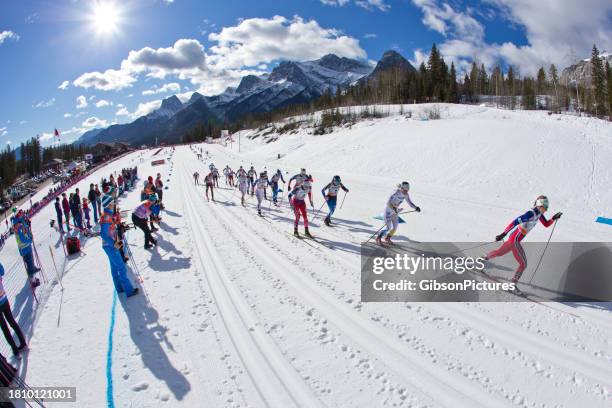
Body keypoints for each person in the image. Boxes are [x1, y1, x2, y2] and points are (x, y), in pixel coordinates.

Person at [485, 195, 562, 287]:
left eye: (547, 207)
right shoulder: (530, 214)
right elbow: (514, 222)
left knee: (499, 253)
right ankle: (512, 285)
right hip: (514, 240)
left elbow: (546, 224)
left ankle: (481, 259)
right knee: (523, 264)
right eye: (545, 207)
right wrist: (503, 234)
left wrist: (553, 218)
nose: (546, 209)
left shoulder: (539, 214)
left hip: (513, 239)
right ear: (539, 205)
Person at [100, 195, 138, 296]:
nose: (114, 204)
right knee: (121, 267)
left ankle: (119, 288)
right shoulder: (106, 216)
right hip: (110, 246)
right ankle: (129, 291)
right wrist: (114, 243)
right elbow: (103, 233)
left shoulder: (108, 215)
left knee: (114, 267)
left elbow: (110, 228)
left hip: (109, 245)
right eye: (112, 203)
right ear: (108, 205)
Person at [0, 262, 28, 357]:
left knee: (4, 328)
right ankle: (23, 343)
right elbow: (2, 271)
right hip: (4, 299)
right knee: (12, 321)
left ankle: (15, 351)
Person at [12, 211, 40, 288]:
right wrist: (30, 240)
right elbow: (23, 239)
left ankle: (33, 273)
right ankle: (33, 281)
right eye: (21, 213)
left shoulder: (19, 222)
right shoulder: (18, 225)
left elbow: (26, 229)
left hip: (25, 248)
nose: (22, 214)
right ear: (18, 215)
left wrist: (27, 223)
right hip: (25, 248)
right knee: (29, 264)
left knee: (30, 263)